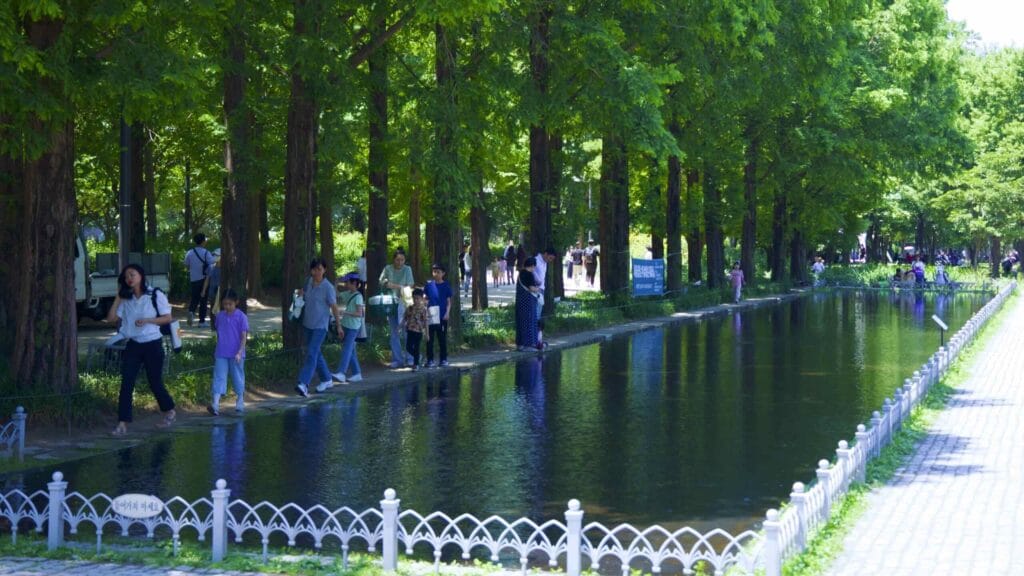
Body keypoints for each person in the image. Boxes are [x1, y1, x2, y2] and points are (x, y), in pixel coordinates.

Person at [105, 264, 176, 435]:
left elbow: (168, 318)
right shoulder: (126, 298)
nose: (129, 278)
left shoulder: (155, 294)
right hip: (134, 344)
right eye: (126, 276)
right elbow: (111, 318)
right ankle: (122, 422)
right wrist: (118, 298)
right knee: (127, 382)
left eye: (132, 274)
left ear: (141, 276)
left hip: (153, 343)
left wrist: (148, 320)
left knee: (154, 381)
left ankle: (169, 410)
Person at [295, 258, 342, 397]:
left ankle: (303, 384)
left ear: (324, 270)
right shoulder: (308, 282)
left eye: (320, 269)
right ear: (311, 270)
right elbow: (303, 296)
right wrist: (300, 294)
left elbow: (334, 307)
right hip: (307, 324)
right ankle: (327, 379)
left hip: (320, 327)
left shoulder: (328, 287)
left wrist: (339, 326)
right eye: (314, 269)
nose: (317, 272)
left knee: (311, 352)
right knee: (316, 353)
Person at [208, 289, 248, 416]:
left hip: (236, 353)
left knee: (237, 377)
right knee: (219, 376)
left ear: (236, 302)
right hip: (221, 352)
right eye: (225, 304)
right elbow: (219, 331)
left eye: (230, 304)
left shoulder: (241, 317)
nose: (227, 306)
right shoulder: (220, 316)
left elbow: (244, 337)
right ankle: (215, 404)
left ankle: (240, 400)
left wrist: (240, 352)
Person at [379, 248, 415, 368]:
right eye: (397, 260)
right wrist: (395, 285)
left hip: (405, 302)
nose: (400, 262)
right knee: (394, 332)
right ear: (393, 259)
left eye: (402, 260)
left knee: (407, 331)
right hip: (391, 303)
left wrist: (395, 286)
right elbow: (382, 281)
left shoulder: (407, 269)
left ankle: (410, 357)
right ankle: (397, 359)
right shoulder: (388, 268)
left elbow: (410, 284)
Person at [331, 273, 365, 385]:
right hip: (346, 326)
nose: (345, 284)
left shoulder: (358, 296)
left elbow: (359, 313)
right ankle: (357, 373)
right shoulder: (348, 293)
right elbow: (336, 295)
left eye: (347, 282)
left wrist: (345, 312)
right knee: (350, 351)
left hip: (353, 328)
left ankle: (341, 372)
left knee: (347, 349)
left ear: (354, 283)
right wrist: (336, 283)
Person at [424, 264, 453, 367]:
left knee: (442, 339)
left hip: (442, 315)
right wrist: (425, 310)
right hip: (431, 315)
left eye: (438, 272)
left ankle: (443, 359)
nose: (436, 274)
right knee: (429, 338)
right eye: (434, 272)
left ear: (443, 273)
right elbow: (425, 299)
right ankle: (430, 360)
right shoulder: (428, 285)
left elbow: (449, 302)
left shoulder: (446, 285)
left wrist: (447, 313)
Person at [184, 233, 215, 327]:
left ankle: (191, 311)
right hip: (204, 279)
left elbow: (186, 265)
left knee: (194, 298)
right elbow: (212, 264)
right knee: (203, 300)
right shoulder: (206, 253)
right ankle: (201, 321)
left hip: (193, 279)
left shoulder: (189, 252)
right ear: (203, 241)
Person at [533, 247, 558, 347]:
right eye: (550, 258)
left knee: (538, 315)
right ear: (546, 254)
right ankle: (534, 340)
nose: (550, 260)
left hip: (541, 290)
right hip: (535, 290)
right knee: (535, 315)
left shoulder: (545, 263)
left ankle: (537, 339)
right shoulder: (535, 260)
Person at [515, 258, 541, 350]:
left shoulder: (521, 273)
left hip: (520, 301)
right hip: (528, 301)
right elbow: (531, 288)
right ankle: (529, 344)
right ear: (533, 266)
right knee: (530, 321)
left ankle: (520, 344)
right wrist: (538, 289)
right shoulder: (529, 274)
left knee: (521, 322)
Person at [402, 288, 430, 371]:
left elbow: (426, 322)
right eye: (414, 298)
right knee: (408, 347)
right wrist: (399, 326)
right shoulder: (410, 308)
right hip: (410, 330)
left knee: (416, 347)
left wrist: (427, 334)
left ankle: (416, 364)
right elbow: (405, 318)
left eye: (418, 298)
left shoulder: (423, 309)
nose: (416, 300)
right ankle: (418, 357)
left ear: (421, 298)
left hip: (418, 331)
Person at [204, 248, 222, 320]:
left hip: (222, 292)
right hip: (212, 292)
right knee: (213, 307)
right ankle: (213, 323)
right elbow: (207, 280)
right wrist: (203, 290)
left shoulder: (226, 268)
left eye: (217, 255)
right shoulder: (211, 267)